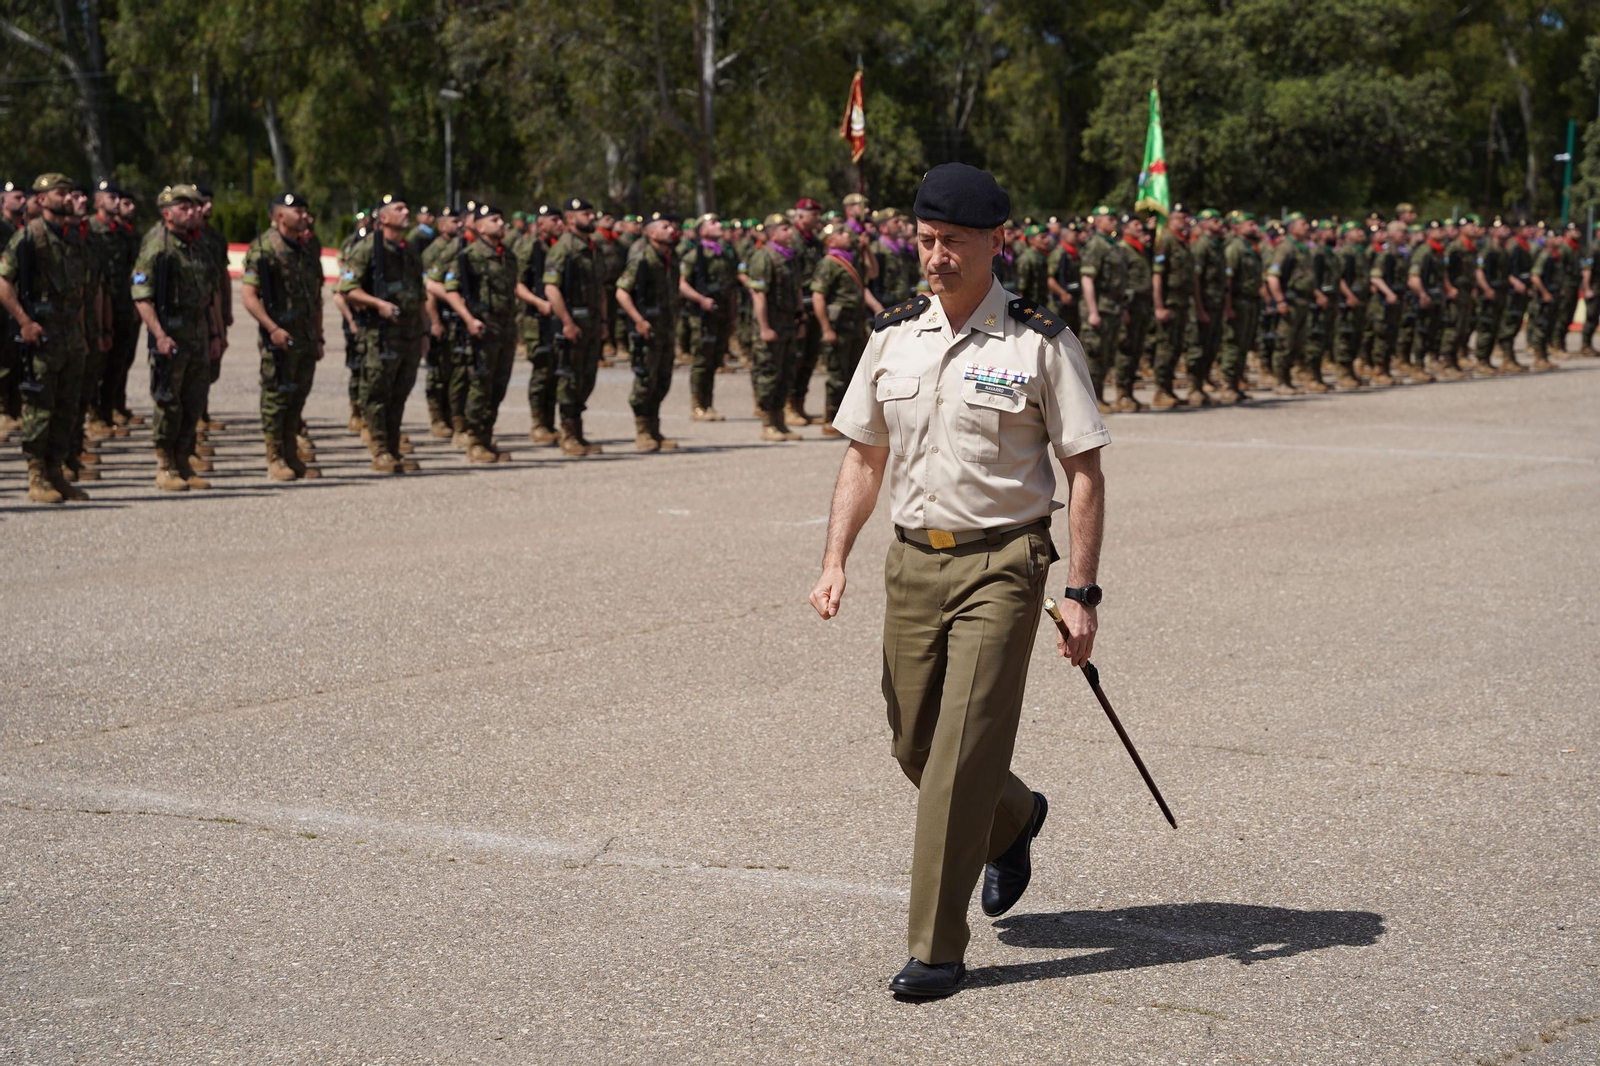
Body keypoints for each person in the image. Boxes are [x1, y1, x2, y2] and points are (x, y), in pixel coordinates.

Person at [809, 161, 1109, 1000]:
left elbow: (1082, 469)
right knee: (914, 741)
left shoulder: (1038, 342)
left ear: (994, 244)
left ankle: (937, 949)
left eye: (953, 243)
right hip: (911, 562)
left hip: (1003, 565)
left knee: (957, 758)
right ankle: (1013, 816)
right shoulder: (893, 333)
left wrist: (1081, 593)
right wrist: (835, 558)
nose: (935, 256)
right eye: (926, 239)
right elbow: (863, 454)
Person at [0, 173, 91, 502]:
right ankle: (36, 475)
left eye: (70, 192)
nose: (68, 198)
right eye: (61, 193)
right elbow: (4, 284)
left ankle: (56, 472)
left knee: (67, 407)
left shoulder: (72, 238)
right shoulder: (29, 238)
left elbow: (79, 291)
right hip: (42, 335)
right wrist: (24, 322)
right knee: (39, 407)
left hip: (70, 334)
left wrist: (82, 332)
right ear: (41, 200)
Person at [130, 184, 224, 490]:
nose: (194, 211)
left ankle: (184, 460)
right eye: (185, 207)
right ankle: (166, 465)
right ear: (167, 213)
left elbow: (209, 296)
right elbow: (142, 296)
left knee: (193, 401)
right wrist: (159, 334)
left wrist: (215, 333)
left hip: (197, 335)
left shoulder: (198, 245)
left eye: (196, 206)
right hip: (170, 337)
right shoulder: (157, 245)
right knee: (168, 403)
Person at [240, 191, 325, 480]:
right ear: (279, 216)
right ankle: (275, 456)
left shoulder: (309, 247)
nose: (304, 216)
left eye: (304, 210)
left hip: (306, 335)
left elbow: (317, 295)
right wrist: (272, 328)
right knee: (276, 397)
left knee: (297, 396)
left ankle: (291, 452)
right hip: (279, 336)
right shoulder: (264, 248)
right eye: (297, 211)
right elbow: (250, 296)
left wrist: (319, 333)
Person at [340, 193, 427, 472]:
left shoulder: (410, 251)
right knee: (378, 394)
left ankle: (393, 447)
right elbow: (347, 289)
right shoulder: (367, 249)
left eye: (406, 207)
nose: (406, 212)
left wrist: (425, 331)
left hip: (409, 334)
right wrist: (378, 304)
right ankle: (379, 450)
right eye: (398, 208)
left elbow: (420, 294)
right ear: (384, 216)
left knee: (400, 393)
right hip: (380, 335)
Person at [438, 203, 518, 463]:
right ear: (480, 226)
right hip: (482, 328)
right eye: (494, 219)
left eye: (501, 219)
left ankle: (486, 436)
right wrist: (469, 319)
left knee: (498, 386)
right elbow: (451, 290)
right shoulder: (469, 255)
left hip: (504, 329)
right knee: (480, 386)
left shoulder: (507, 255)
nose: (501, 223)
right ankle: (473, 440)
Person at [543, 196, 608, 455]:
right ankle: (568, 434)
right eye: (586, 214)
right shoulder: (564, 248)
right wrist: (567, 322)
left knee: (586, 378)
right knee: (569, 379)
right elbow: (551, 288)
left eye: (592, 214)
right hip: (574, 323)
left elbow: (601, 287)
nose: (592, 218)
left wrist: (603, 320)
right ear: (571, 219)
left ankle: (579, 433)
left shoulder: (592, 247)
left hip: (591, 322)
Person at [614, 210, 682, 452]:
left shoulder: (671, 258)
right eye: (665, 227)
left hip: (666, 328)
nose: (671, 230)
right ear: (652, 233)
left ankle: (655, 429)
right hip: (647, 329)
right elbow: (621, 292)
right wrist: (638, 320)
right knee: (645, 380)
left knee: (662, 380)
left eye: (671, 226)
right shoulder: (642, 258)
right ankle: (642, 431)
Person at [741, 211, 805, 442]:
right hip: (772, 325)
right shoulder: (763, 257)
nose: (790, 232)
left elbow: (797, 290)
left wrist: (801, 318)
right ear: (772, 234)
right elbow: (758, 295)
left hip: (788, 323)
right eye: (784, 229)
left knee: (786, 373)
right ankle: (768, 423)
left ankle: (780, 421)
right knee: (768, 374)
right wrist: (764, 327)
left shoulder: (790, 257)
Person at [810, 220, 878, 434]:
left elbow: (873, 273)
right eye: (841, 233)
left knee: (854, 373)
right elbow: (818, 296)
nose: (847, 234)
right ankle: (830, 418)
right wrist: (826, 328)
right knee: (837, 374)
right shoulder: (829, 263)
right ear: (830, 240)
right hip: (839, 326)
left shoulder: (852, 259)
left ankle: (847, 418)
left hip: (855, 325)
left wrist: (866, 250)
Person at [679, 213, 739, 420]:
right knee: (701, 360)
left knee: (714, 359)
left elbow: (731, 286)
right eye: (712, 223)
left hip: (721, 314)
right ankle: (697, 405)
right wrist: (700, 299)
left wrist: (732, 315)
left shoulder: (724, 254)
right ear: (702, 230)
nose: (718, 225)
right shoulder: (695, 254)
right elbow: (682, 284)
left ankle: (709, 404)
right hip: (702, 316)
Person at [512, 203, 559, 444]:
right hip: (535, 318)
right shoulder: (529, 246)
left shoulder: (558, 247)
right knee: (541, 371)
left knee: (555, 370)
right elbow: (517, 283)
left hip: (555, 317)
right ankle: (538, 423)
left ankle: (550, 422)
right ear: (541, 224)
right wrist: (538, 302)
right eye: (554, 220)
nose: (559, 224)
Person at [1079, 205, 1133, 412]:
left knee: (1108, 354)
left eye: (1114, 218)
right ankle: (1091, 401)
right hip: (1099, 308)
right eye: (1109, 218)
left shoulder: (1114, 245)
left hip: (1113, 308)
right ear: (1098, 221)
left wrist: (1123, 309)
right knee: (1094, 356)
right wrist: (1093, 311)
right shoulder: (1096, 245)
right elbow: (1087, 279)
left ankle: (1099, 397)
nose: (1114, 222)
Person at [1150, 204, 1199, 408]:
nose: (1184, 221)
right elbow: (1158, 276)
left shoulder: (1184, 242)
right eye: (1179, 217)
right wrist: (1159, 306)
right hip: (1169, 302)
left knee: (1177, 346)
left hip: (1182, 303)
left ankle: (1168, 388)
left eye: (1186, 217)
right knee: (1166, 347)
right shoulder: (1166, 240)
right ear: (1171, 219)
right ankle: (1160, 391)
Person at [785, 197, 825, 426]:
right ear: (800, 215)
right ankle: (788, 404)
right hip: (796, 305)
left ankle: (800, 403)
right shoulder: (792, 239)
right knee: (795, 357)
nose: (817, 218)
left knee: (810, 357)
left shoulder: (815, 241)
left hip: (814, 304)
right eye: (813, 214)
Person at [1218, 211, 1262, 402]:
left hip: (1250, 302)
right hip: (1237, 301)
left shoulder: (1249, 248)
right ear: (1236, 227)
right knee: (1233, 344)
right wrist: (1228, 307)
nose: (1255, 227)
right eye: (1250, 224)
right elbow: (1228, 279)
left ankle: (1236, 383)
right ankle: (1227, 384)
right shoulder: (1235, 248)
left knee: (1243, 344)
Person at [1189, 209, 1228, 402]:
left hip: (1216, 303)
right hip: (1204, 303)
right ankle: (1194, 386)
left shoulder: (1218, 245)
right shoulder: (1202, 246)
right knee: (1199, 346)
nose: (1220, 223)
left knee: (1212, 344)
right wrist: (1200, 308)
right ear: (1204, 224)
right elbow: (1196, 279)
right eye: (1215, 220)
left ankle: (1204, 380)